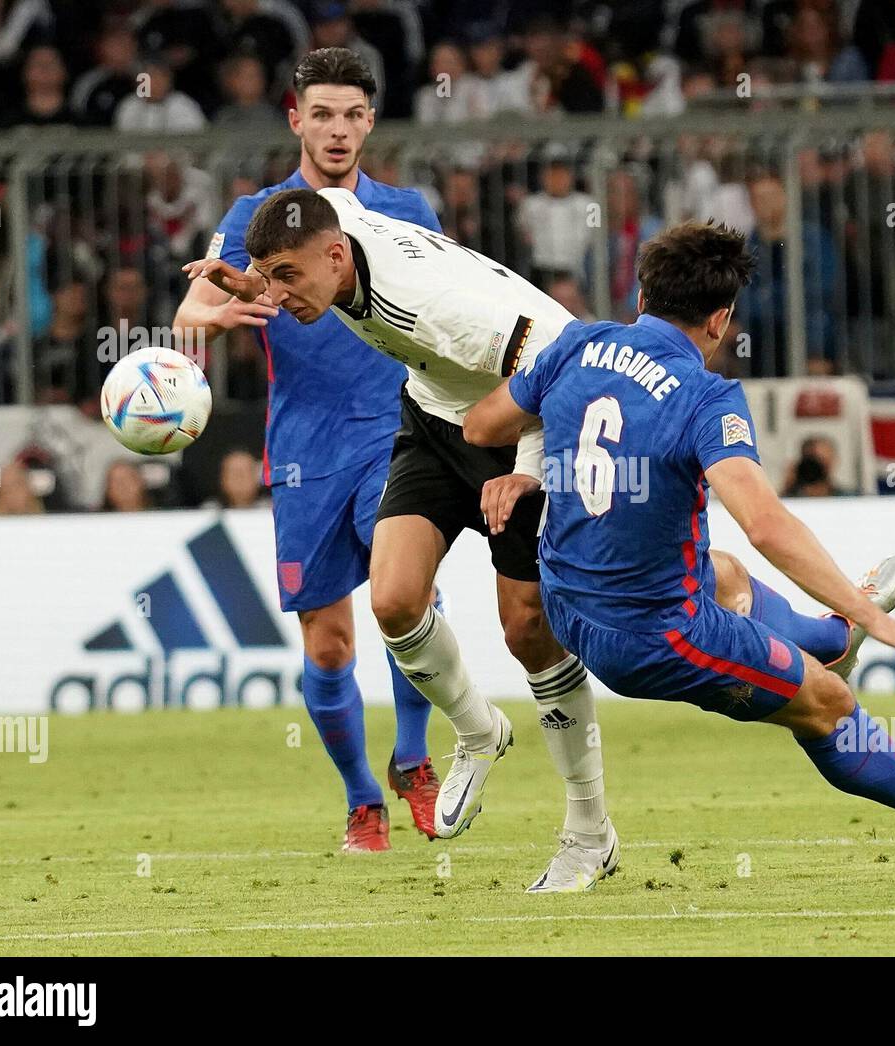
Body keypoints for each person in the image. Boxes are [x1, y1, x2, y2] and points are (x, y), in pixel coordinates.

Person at [463, 221, 895, 867]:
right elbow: (766, 523)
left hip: (567, 609)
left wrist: (531, 468)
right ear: (721, 321)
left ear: (640, 298)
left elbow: (482, 425)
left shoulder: (576, 344)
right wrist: (881, 619)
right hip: (654, 638)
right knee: (827, 703)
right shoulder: (705, 397)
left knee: (721, 572)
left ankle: (833, 638)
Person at [186, 184, 619, 893]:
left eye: (288, 277)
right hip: (430, 414)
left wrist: (528, 473)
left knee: (530, 631)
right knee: (393, 600)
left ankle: (588, 833)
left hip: (523, 421)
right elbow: (319, 199)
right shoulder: (332, 224)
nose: (281, 297)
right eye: (272, 277)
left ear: (334, 256)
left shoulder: (430, 306)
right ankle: (480, 731)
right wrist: (253, 281)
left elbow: (558, 360)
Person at [172, 48, 439, 855]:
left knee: (409, 602)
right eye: (321, 114)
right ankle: (363, 799)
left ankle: (416, 759)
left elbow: (444, 308)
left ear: (369, 122)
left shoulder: (407, 209)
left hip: (398, 433)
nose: (338, 130)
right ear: (295, 118)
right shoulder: (261, 214)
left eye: (353, 114)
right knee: (329, 643)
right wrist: (212, 317)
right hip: (303, 450)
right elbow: (194, 304)